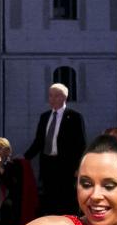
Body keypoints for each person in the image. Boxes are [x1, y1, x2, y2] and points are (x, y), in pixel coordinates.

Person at [24, 83, 86, 215]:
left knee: (66, 201)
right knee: (49, 200)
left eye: (56, 96)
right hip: (47, 164)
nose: (52, 99)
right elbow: (38, 142)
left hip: (66, 166)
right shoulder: (44, 117)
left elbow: (81, 144)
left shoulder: (74, 117)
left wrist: (79, 167)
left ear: (65, 97)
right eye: (50, 96)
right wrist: (25, 157)